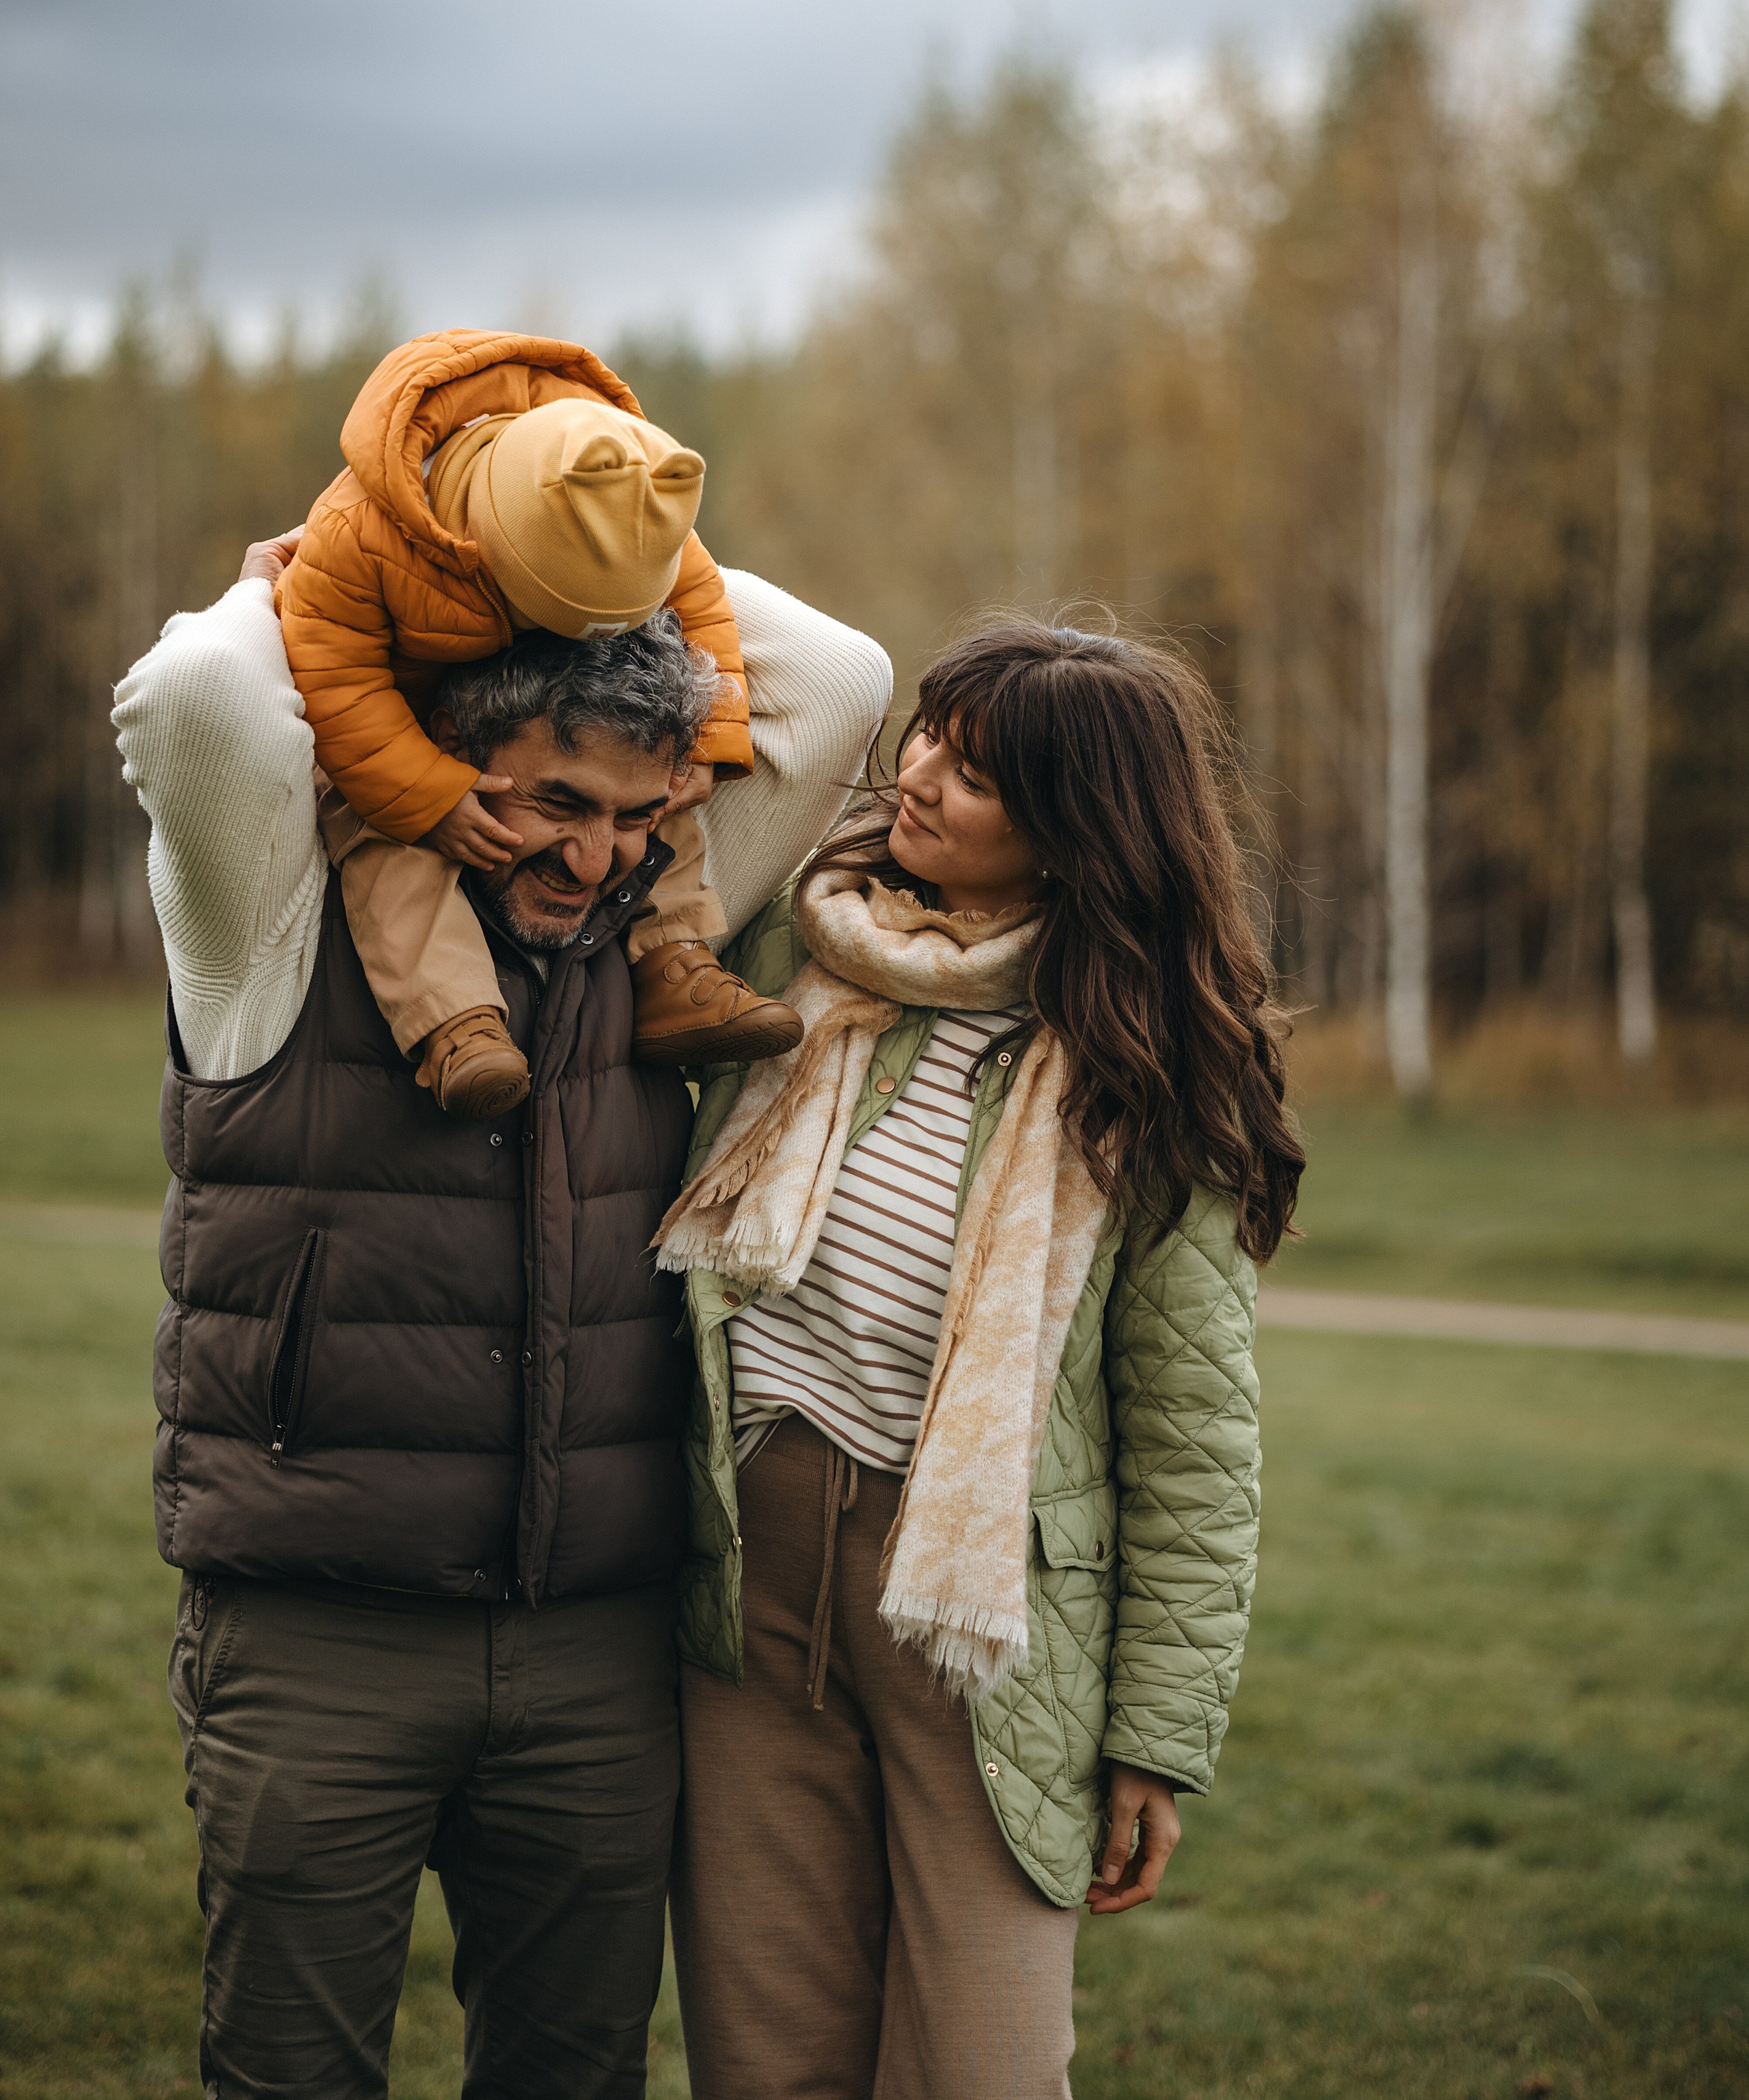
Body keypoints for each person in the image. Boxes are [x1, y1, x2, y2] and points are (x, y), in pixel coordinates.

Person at [112, 528, 890, 2100]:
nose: (592, 855)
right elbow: (196, 698)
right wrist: (371, 543)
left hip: (593, 1646)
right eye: (550, 800)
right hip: (319, 1629)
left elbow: (843, 682)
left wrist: (591, 538)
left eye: (629, 814)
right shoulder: (269, 917)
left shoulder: (652, 931)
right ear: (439, 764)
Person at [656, 621, 1304, 2100]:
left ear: (1081, 831)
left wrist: (1153, 1738)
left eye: (983, 770)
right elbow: (798, 660)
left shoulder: (1147, 1067)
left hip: (980, 1627)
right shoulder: (795, 938)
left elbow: (1196, 1440)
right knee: (768, 2059)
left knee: (985, 2069)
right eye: (930, 735)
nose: (923, 778)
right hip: (747, 1579)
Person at [277, 325, 806, 1119]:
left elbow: (702, 608)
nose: (592, 861)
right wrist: (423, 792)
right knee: (388, 841)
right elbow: (334, 679)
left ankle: (674, 966)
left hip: (553, 721)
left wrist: (711, 739)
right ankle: (455, 1023)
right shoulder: (359, 536)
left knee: (653, 789)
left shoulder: (631, 503)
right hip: (397, 731)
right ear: (495, 549)